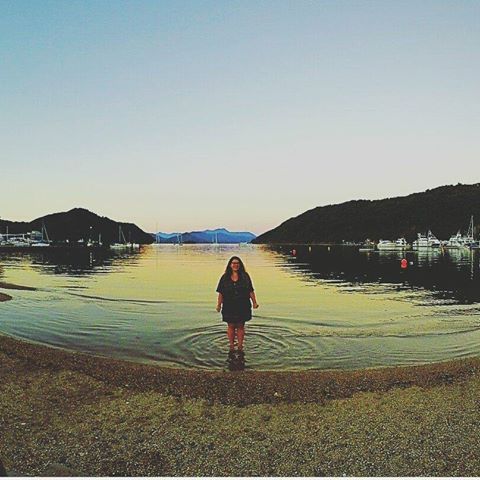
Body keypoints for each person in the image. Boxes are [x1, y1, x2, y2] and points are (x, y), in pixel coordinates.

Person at [216, 256, 259, 353]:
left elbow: (250, 290)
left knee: (240, 325)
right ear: (230, 265)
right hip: (229, 305)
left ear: (240, 265)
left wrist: (254, 302)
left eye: (237, 263)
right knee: (231, 325)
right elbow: (221, 292)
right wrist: (219, 305)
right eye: (233, 263)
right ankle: (231, 346)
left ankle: (240, 346)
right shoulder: (225, 277)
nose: (235, 265)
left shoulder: (245, 276)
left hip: (243, 304)